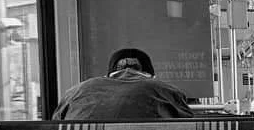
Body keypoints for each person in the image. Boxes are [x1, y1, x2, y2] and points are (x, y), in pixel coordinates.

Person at [52, 48, 195, 120]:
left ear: (107, 76)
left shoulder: (75, 92)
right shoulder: (165, 91)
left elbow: (56, 125)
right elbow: (190, 128)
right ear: (152, 76)